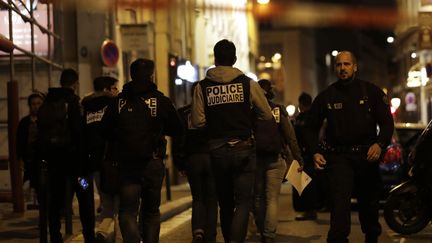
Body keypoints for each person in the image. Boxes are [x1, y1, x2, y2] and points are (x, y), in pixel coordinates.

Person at [304, 51, 394, 243]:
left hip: (366, 157)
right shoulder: (327, 96)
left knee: (369, 206)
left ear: (355, 67)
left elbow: (387, 123)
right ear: (335, 68)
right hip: (338, 159)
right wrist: (315, 152)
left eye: (346, 64)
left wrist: (379, 144)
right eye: (339, 65)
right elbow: (310, 128)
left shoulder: (371, 92)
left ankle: (372, 237)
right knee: (338, 206)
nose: (342, 68)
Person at [191, 39, 273, 243]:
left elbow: (197, 121)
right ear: (235, 59)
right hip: (244, 148)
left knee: (225, 203)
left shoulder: (203, 87)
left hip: (217, 151)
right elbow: (267, 115)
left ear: (215, 59)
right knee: (244, 201)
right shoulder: (248, 84)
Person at [102, 58, 183, 243]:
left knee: (128, 211)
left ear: (131, 75)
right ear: (151, 76)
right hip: (153, 163)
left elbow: (104, 130)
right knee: (151, 212)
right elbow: (178, 128)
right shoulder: (160, 100)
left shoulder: (119, 102)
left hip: (127, 165)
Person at [37, 68, 95, 243]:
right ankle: (89, 237)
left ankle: (55, 236)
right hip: (78, 168)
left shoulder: (47, 103)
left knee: (55, 202)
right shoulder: (74, 102)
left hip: (56, 166)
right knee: (85, 197)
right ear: (75, 84)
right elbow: (78, 132)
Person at [253, 79, 303, 243]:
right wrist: (298, 158)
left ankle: (262, 229)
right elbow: (290, 136)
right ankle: (269, 235)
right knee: (272, 199)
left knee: (258, 198)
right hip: (276, 158)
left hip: (256, 159)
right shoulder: (278, 110)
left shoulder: (250, 111)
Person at [174, 82, 218, 243]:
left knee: (198, 197)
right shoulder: (213, 112)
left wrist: (180, 162)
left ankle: (198, 232)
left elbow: (178, 139)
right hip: (211, 157)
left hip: (192, 158)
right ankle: (211, 234)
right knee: (212, 199)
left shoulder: (183, 112)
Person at [81, 76, 120, 242]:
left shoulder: (86, 107)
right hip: (112, 161)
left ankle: (102, 232)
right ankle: (118, 238)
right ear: (106, 90)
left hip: (94, 163)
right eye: (114, 88)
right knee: (120, 204)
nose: (116, 91)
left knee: (107, 203)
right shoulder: (112, 105)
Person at [292, 92, 320, 220]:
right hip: (313, 153)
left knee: (305, 184)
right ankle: (312, 208)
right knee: (311, 183)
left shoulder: (300, 119)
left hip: (304, 155)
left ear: (301, 104)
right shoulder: (315, 117)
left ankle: (308, 210)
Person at [17, 92, 45, 202]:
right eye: (33, 104)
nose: (36, 106)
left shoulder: (45, 120)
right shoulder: (24, 122)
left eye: (39, 103)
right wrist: (20, 158)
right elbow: (19, 141)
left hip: (42, 157)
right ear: (30, 105)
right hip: (29, 157)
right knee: (29, 182)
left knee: (41, 183)